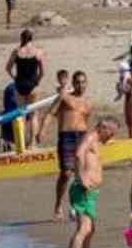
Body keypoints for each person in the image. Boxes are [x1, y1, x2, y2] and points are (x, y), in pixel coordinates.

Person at [63, 118, 119, 248]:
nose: (111, 137)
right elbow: (79, 154)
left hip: (90, 192)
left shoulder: (95, 140)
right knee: (84, 229)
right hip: (82, 190)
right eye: (111, 133)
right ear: (103, 127)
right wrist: (81, 178)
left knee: (90, 229)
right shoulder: (90, 137)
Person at [39, 70, 92, 222]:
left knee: (80, 174)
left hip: (82, 137)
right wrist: (43, 130)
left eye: (83, 82)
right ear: (73, 83)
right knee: (66, 174)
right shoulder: (64, 97)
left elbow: (86, 122)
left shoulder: (88, 102)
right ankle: (57, 205)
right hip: (67, 137)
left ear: (86, 83)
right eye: (77, 82)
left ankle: (77, 206)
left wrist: (92, 141)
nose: (80, 85)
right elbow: (50, 113)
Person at [5, 28, 45, 107]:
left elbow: (8, 68)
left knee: (21, 112)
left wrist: (14, 78)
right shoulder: (38, 52)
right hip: (32, 84)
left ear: (21, 38)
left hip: (19, 84)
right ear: (31, 38)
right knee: (33, 114)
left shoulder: (16, 51)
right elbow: (42, 72)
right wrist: (37, 81)